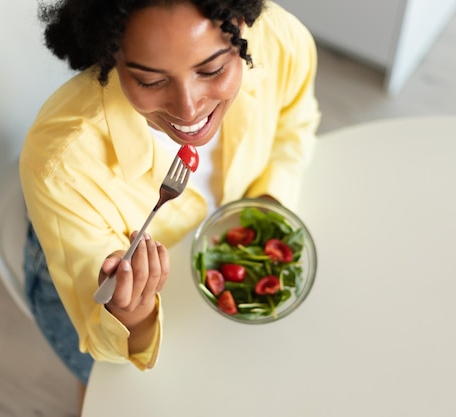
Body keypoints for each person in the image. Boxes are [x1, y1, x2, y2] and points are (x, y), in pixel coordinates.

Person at [19, 0, 320, 401]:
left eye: (213, 70)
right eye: (151, 81)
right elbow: (98, 333)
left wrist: (267, 201)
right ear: (110, 53)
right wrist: (131, 315)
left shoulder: (281, 39)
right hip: (72, 274)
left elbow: (294, 124)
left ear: (243, 26)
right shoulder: (59, 161)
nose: (189, 109)